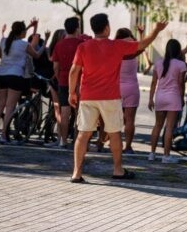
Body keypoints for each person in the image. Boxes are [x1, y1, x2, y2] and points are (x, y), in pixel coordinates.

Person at [69, 14, 166, 183]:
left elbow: (73, 71)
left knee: (83, 134)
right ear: (107, 28)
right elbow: (142, 45)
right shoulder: (117, 46)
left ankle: (76, 173)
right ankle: (117, 169)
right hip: (110, 97)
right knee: (114, 134)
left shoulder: (83, 47)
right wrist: (156, 30)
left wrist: (72, 93)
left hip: (88, 97)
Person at [0, 19, 44, 143]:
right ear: (22, 32)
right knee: (10, 107)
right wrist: (45, 44)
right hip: (15, 76)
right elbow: (36, 55)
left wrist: (31, 27)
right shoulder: (24, 45)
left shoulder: (3, 41)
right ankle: (4, 135)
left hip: (0, 75)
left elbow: (1, 56)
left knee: (0, 104)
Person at [149, 39, 187, 163]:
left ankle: (152, 153)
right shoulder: (181, 64)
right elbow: (181, 84)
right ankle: (166, 156)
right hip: (173, 97)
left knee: (157, 125)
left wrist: (150, 99)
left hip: (160, 97)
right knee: (169, 127)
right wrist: (181, 99)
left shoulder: (158, 63)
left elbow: (154, 82)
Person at [51, 18, 85, 149]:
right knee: (78, 113)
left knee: (64, 112)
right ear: (77, 28)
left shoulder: (59, 44)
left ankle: (63, 140)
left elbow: (55, 66)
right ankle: (77, 141)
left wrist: (59, 79)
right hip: (79, 82)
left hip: (64, 81)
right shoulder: (81, 44)